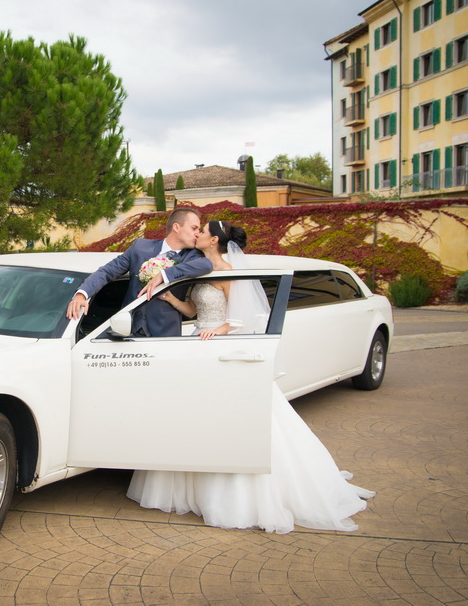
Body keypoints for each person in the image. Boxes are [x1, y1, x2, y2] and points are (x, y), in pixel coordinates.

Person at [127, 220, 375, 534]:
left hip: (222, 352)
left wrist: (220, 329)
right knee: (192, 420)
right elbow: (194, 310)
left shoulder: (231, 271)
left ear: (213, 239)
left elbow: (243, 316)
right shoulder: (198, 269)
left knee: (234, 422)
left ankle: (239, 496)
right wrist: (172, 301)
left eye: (201, 231)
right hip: (199, 351)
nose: (196, 234)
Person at [66, 207, 212, 337]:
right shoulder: (140, 247)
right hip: (127, 331)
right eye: (194, 228)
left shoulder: (194, 256)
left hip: (165, 335)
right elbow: (107, 272)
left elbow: (206, 265)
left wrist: (163, 274)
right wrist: (82, 294)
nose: (197, 234)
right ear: (176, 227)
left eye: (199, 230)